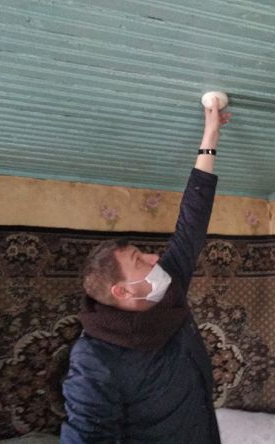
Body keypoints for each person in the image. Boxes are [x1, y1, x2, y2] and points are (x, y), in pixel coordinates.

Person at [60, 97, 231, 443]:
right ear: (122, 291)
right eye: (139, 260)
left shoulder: (168, 289)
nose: (155, 258)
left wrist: (210, 137)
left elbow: (192, 222)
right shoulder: (94, 358)